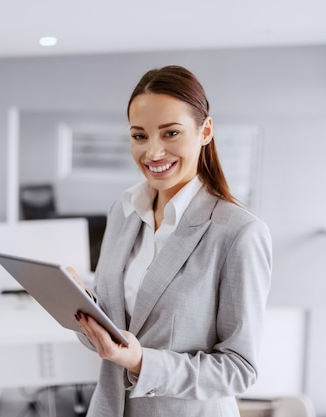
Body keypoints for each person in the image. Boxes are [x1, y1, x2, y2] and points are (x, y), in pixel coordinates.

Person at [75, 65, 272, 417]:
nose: (152, 153)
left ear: (205, 131)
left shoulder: (238, 233)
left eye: (170, 133)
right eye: (140, 136)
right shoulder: (122, 214)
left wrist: (140, 362)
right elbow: (119, 334)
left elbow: (239, 368)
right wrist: (82, 308)